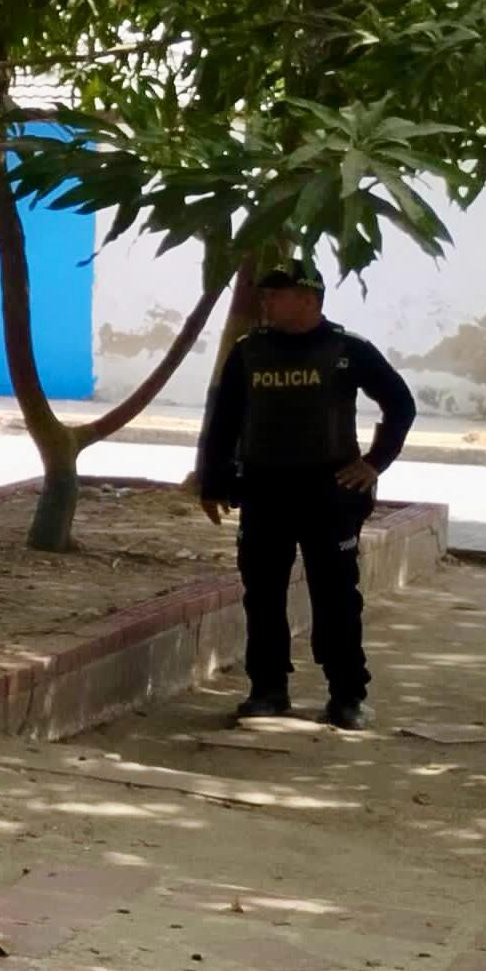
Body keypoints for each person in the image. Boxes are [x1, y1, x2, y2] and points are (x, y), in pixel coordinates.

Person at [195, 264, 417, 729]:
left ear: (309, 300)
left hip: (329, 493)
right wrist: (213, 482)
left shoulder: (347, 350)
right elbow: (224, 420)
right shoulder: (249, 352)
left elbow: (400, 404)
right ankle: (268, 689)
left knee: (336, 597)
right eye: (267, 294)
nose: (267, 302)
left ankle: (347, 695)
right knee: (263, 594)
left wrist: (374, 463)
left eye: (278, 295)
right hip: (264, 490)